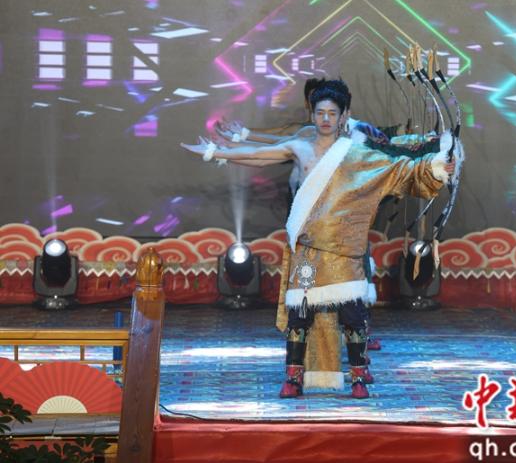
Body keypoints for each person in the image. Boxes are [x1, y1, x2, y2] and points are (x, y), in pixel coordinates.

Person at [182, 79, 458, 398]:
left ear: (343, 116)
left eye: (332, 113)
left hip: (344, 252)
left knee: (352, 315)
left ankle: (358, 378)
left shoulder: (359, 153)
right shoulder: (300, 145)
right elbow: (259, 155)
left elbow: (399, 168)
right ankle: (293, 379)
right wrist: (214, 152)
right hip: (308, 250)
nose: (325, 119)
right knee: (300, 314)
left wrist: (436, 168)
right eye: (320, 113)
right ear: (312, 115)